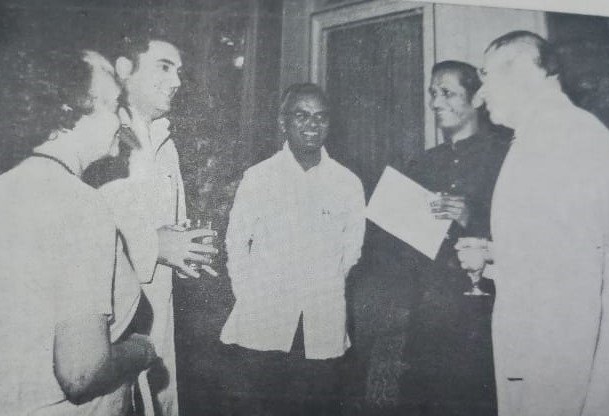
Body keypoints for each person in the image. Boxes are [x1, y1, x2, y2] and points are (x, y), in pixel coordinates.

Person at [0, 49, 156, 415]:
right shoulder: (80, 205)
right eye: (113, 106)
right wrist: (142, 350)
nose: (123, 120)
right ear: (66, 118)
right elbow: (81, 372)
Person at [456, 31, 609, 416]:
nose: (479, 95)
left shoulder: (568, 137)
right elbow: (551, 246)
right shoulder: (539, 135)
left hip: (557, 356)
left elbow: (576, 282)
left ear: (525, 72)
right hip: (536, 344)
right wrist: (494, 255)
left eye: (486, 77)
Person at [221, 83, 366, 415]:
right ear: (282, 122)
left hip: (322, 320)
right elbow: (236, 243)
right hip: (264, 321)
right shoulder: (259, 177)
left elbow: (352, 250)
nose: (312, 125)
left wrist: (320, 284)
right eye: (301, 115)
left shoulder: (348, 183)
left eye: (320, 117)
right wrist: (249, 296)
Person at [94, 32, 218, 416]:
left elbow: (172, 230)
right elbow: (76, 234)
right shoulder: (100, 137)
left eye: (179, 71)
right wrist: (155, 247)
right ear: (124, 69)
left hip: (157, 314)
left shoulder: (167, 143)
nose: (178, 81)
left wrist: (187, 253)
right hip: (107, 322)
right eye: (164, 67)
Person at [393, 61, 509, 415]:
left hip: (484, 316)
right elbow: (403, 252)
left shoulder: (503, 156)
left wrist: (469, 217)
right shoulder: (423, 163)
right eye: (432, 93)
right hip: (431, 313)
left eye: (447, 93)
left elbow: (526, 232)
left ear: (476, 99)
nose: (435, 102)